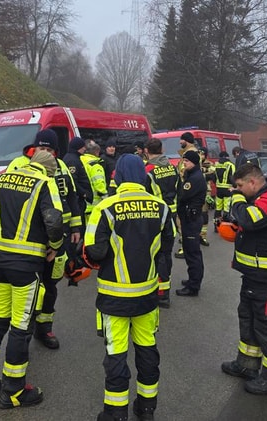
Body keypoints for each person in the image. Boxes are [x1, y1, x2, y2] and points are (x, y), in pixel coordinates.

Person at [0, 150, 64, 409]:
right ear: (48, 170)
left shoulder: (3, 177)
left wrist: (1, 224)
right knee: (21, 326)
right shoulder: (44, 183)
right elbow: (54, 221)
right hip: (26, 265)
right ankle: (13, 390)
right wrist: (54, 245)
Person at [85, 154, 173, 421]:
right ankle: (147, 409)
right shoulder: (161, 207)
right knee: (147, 351)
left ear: (118, 177)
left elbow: (94, 251)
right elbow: (167, 247)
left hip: (114, 297)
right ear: (143, 177)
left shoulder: (105, 207)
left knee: (116, 355)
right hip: (147, 295)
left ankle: (116, 413)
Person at [221, 163, 267, 395]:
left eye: (241, 186)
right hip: (255, 274)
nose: (239, 190)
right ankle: (247, 365)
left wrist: (235, 201)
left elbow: (250, 220)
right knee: (249, 319)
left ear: (252, 182)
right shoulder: (262, 196)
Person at [7, 129, 82, 349]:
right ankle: (24, 330)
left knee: (51, 285)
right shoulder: (19, 165)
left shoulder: (61, 168)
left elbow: (72, 197)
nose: (46, 153)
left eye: (50, 149)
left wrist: (76, 225)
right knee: (30, 287)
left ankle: (44, 328)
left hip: (59, 237)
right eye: (42, 149)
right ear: (34, 149)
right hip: (30, 238)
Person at [143, 137, 179, 309]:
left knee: (154, 255)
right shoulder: (172, 168)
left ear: (146, 151)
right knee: (166, 254)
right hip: (171, 216)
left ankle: (157, 293)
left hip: (155, 218)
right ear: (162, 150)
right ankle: (164, 293)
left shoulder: (148, 170)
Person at [175, 149, 207, 297]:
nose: (184, 163)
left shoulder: (195, 178)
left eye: (186, 161)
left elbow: (183, 195)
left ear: (193, 162)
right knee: (189, 251)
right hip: (189, 218)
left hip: (192, 219)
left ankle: (194, 286)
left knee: (193, 253)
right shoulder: (191, 175)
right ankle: (192, 280)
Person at [63, 136, 93, 217]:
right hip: (77, 199)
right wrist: (83, 193)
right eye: (82, 146)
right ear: (77, 147)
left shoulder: (73, 157)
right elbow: (73, 180)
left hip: (78, 198)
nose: (84, 149)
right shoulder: (72, 160)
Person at [81, 140, 109, 221]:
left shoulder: (80, 161)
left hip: (82, 203)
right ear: (97, 152)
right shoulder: (95, 165)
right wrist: (106, 197)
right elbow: (99, 184)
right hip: (93, 205)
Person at [212, 151, 236, 223]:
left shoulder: (216, 165)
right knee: (226, 208)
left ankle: (216, 226)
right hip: (228, 189)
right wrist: (235, 186)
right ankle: (225, 226)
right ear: (227, 157)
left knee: (218, 208)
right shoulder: (231, 165)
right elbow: (232, 177)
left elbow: (213, 177)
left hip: (219, 189)